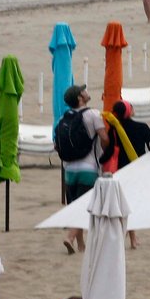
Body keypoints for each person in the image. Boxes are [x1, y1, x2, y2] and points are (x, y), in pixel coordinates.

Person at [59, 85, 110, 255]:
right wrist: (104, 152)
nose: (86, 92)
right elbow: (104, 138)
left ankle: (81, 245)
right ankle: (70, 237)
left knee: (75, 206)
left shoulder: (64, 117)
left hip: (69, 170)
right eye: (83, 91)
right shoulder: (93, 114)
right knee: (83, 207)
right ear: (80, 98)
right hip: (88, 168)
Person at [105, 100, 144, 248]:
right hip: (136, 170)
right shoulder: (142, 128)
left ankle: (131, 237)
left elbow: (108, 150)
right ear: (128, 111)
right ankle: (129, 237)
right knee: (130, 204)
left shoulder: (114, 129)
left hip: (119, 171)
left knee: (124, 204)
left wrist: (101, 161)